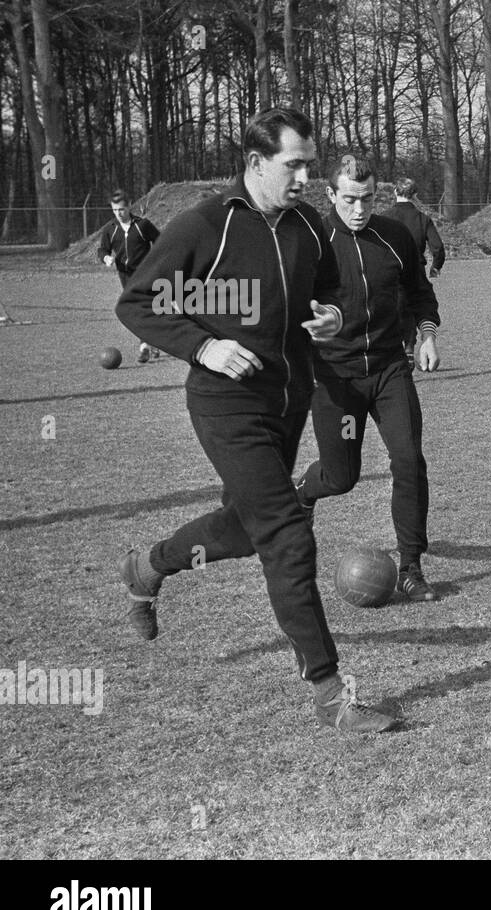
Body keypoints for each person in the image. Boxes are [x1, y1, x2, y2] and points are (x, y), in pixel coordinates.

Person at [115, 107, 398, 734]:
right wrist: (203, 346)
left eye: (310, 165)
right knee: (288, 535)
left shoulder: (305, 226)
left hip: (287, 400)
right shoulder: (205, 226)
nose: (304, 178)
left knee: (246, 531)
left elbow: (319, 291)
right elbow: (139, 301)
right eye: (292, 164)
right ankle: (330, 693)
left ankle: (149, 565)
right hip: (225, 406)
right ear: (255, 163)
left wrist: (324, 317)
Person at [294, 156, 442, 602]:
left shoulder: (394, 235)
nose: (359, 209)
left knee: (409, 460)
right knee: (342, 477)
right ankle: (304, 492)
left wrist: (427, 335)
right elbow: (285, 303)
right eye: (350, 199)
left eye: (368, 199)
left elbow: (420, 292)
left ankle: (411, 567)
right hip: (335, 379)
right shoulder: (309, 242)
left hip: (389, 369)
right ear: (331, 195)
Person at [384, 177, 446, 364]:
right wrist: (435, 267)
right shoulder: (422, 218)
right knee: (412, 307)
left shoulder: (383, 218)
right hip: (415, 270)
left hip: (389, 270)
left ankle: (393, 348)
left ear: (395, 192)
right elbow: (438, 247)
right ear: (415, 195)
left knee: (390, 309)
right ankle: (409, 347)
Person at [99, 191, 161, 362]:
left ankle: (145, 346)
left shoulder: (143, 225)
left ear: (129, 206)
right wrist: (106, 258)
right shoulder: (110, 229)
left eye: (122, 209)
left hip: (146, 273)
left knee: (143, 308)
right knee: (138, 310)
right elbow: (102, 249)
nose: (119, 213)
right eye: (115, 210)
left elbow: (161, 241)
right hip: (125, 276)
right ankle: (152, 343)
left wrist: (157, 261)